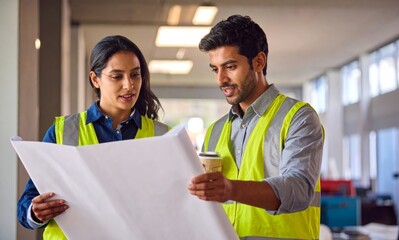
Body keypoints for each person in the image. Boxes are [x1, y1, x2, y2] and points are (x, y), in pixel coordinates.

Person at [17, 35, 169, 239]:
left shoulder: (163, 136)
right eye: (117, 76)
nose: (129, 85)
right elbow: (29, 200)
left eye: (135, 75)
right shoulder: (63, 132)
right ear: (95, 79)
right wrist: (35, 213)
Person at [188, 15, 324, 240]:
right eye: (215, 69)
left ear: (259, 62)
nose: (221, 79)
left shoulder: (298, 117)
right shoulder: (214, 131)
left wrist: (231, 189)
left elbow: (299, 190)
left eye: (230, 66)